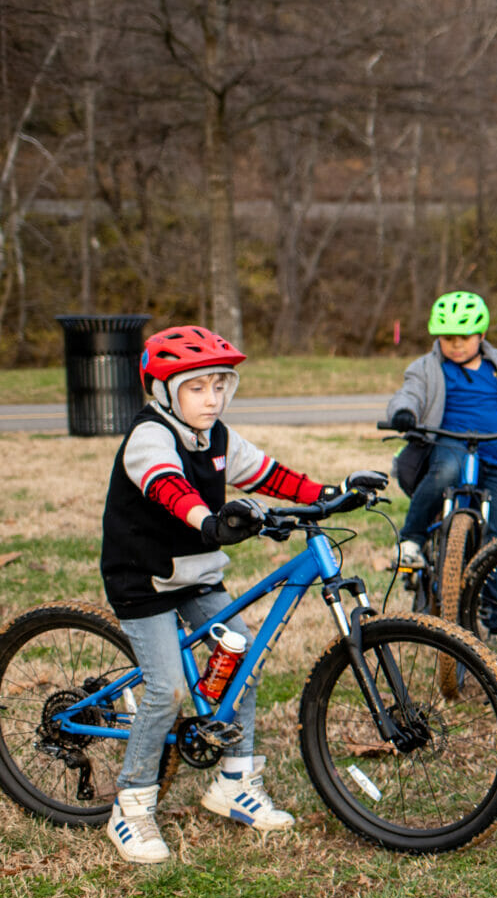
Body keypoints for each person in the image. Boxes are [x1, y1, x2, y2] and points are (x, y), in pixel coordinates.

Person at [101, 326, 374, 864]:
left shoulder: (219, 437)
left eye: (221, 385)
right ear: (163, 390)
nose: (213, 398)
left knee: (243, 655)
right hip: (144, 578)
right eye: (197, 387)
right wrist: (209, 520)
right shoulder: (149, 436)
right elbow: (167, 486)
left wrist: (331, 494)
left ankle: (232, 783)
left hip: (197, 574)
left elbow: (269, 474)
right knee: (167, 691)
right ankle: (130, 807)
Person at [383, 291, 497, 649]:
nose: (455, 346)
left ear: (482, 335)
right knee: (444, 472)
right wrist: (403, 414)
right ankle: (412, 540)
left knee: (494, 543)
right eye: (447, 338)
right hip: (450, 445)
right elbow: (408, 393)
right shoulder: (427, 367)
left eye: (464, 337)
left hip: (495, 458)